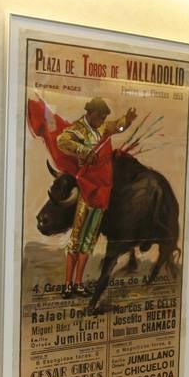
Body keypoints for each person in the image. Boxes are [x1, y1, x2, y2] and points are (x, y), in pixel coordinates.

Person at [56, 96, 136, 297]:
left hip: (102, 188)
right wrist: (83, 150)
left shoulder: (103, 127)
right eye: (99, 116)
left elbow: (117, 127)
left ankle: (78, 283)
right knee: (76, 238)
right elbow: (61, 141)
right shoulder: (78, 129)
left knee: (89, 239)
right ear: (90, 114)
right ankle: (67, 285)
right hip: (87, 187)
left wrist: (127, 120)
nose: (102, 121)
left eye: (103, 118)